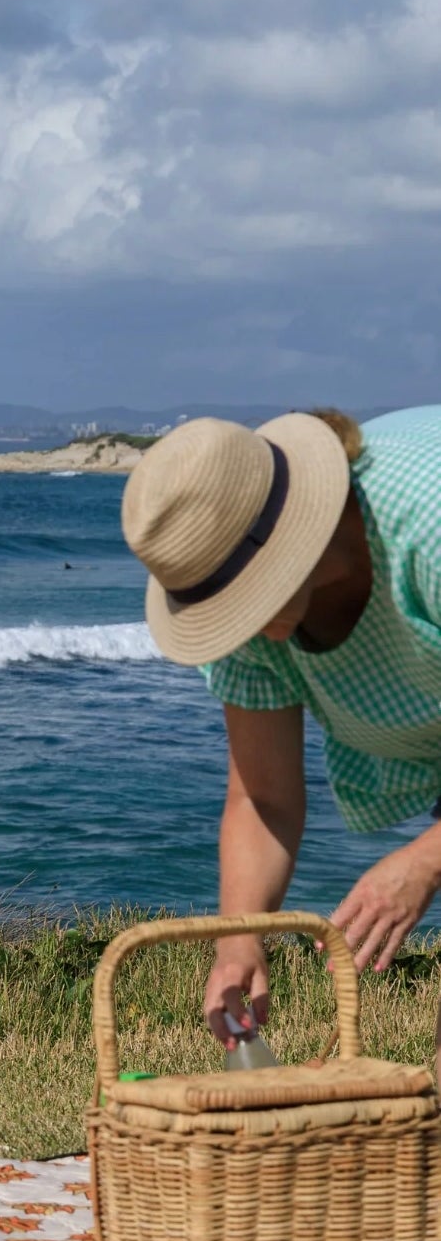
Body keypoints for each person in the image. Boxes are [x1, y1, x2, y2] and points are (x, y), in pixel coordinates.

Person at [123, 406, 441, 1050]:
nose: (235, 628)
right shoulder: (246, 618)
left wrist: (425, 861)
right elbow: (263, 798)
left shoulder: (427, 523)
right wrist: (239, 940)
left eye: (245, 599)